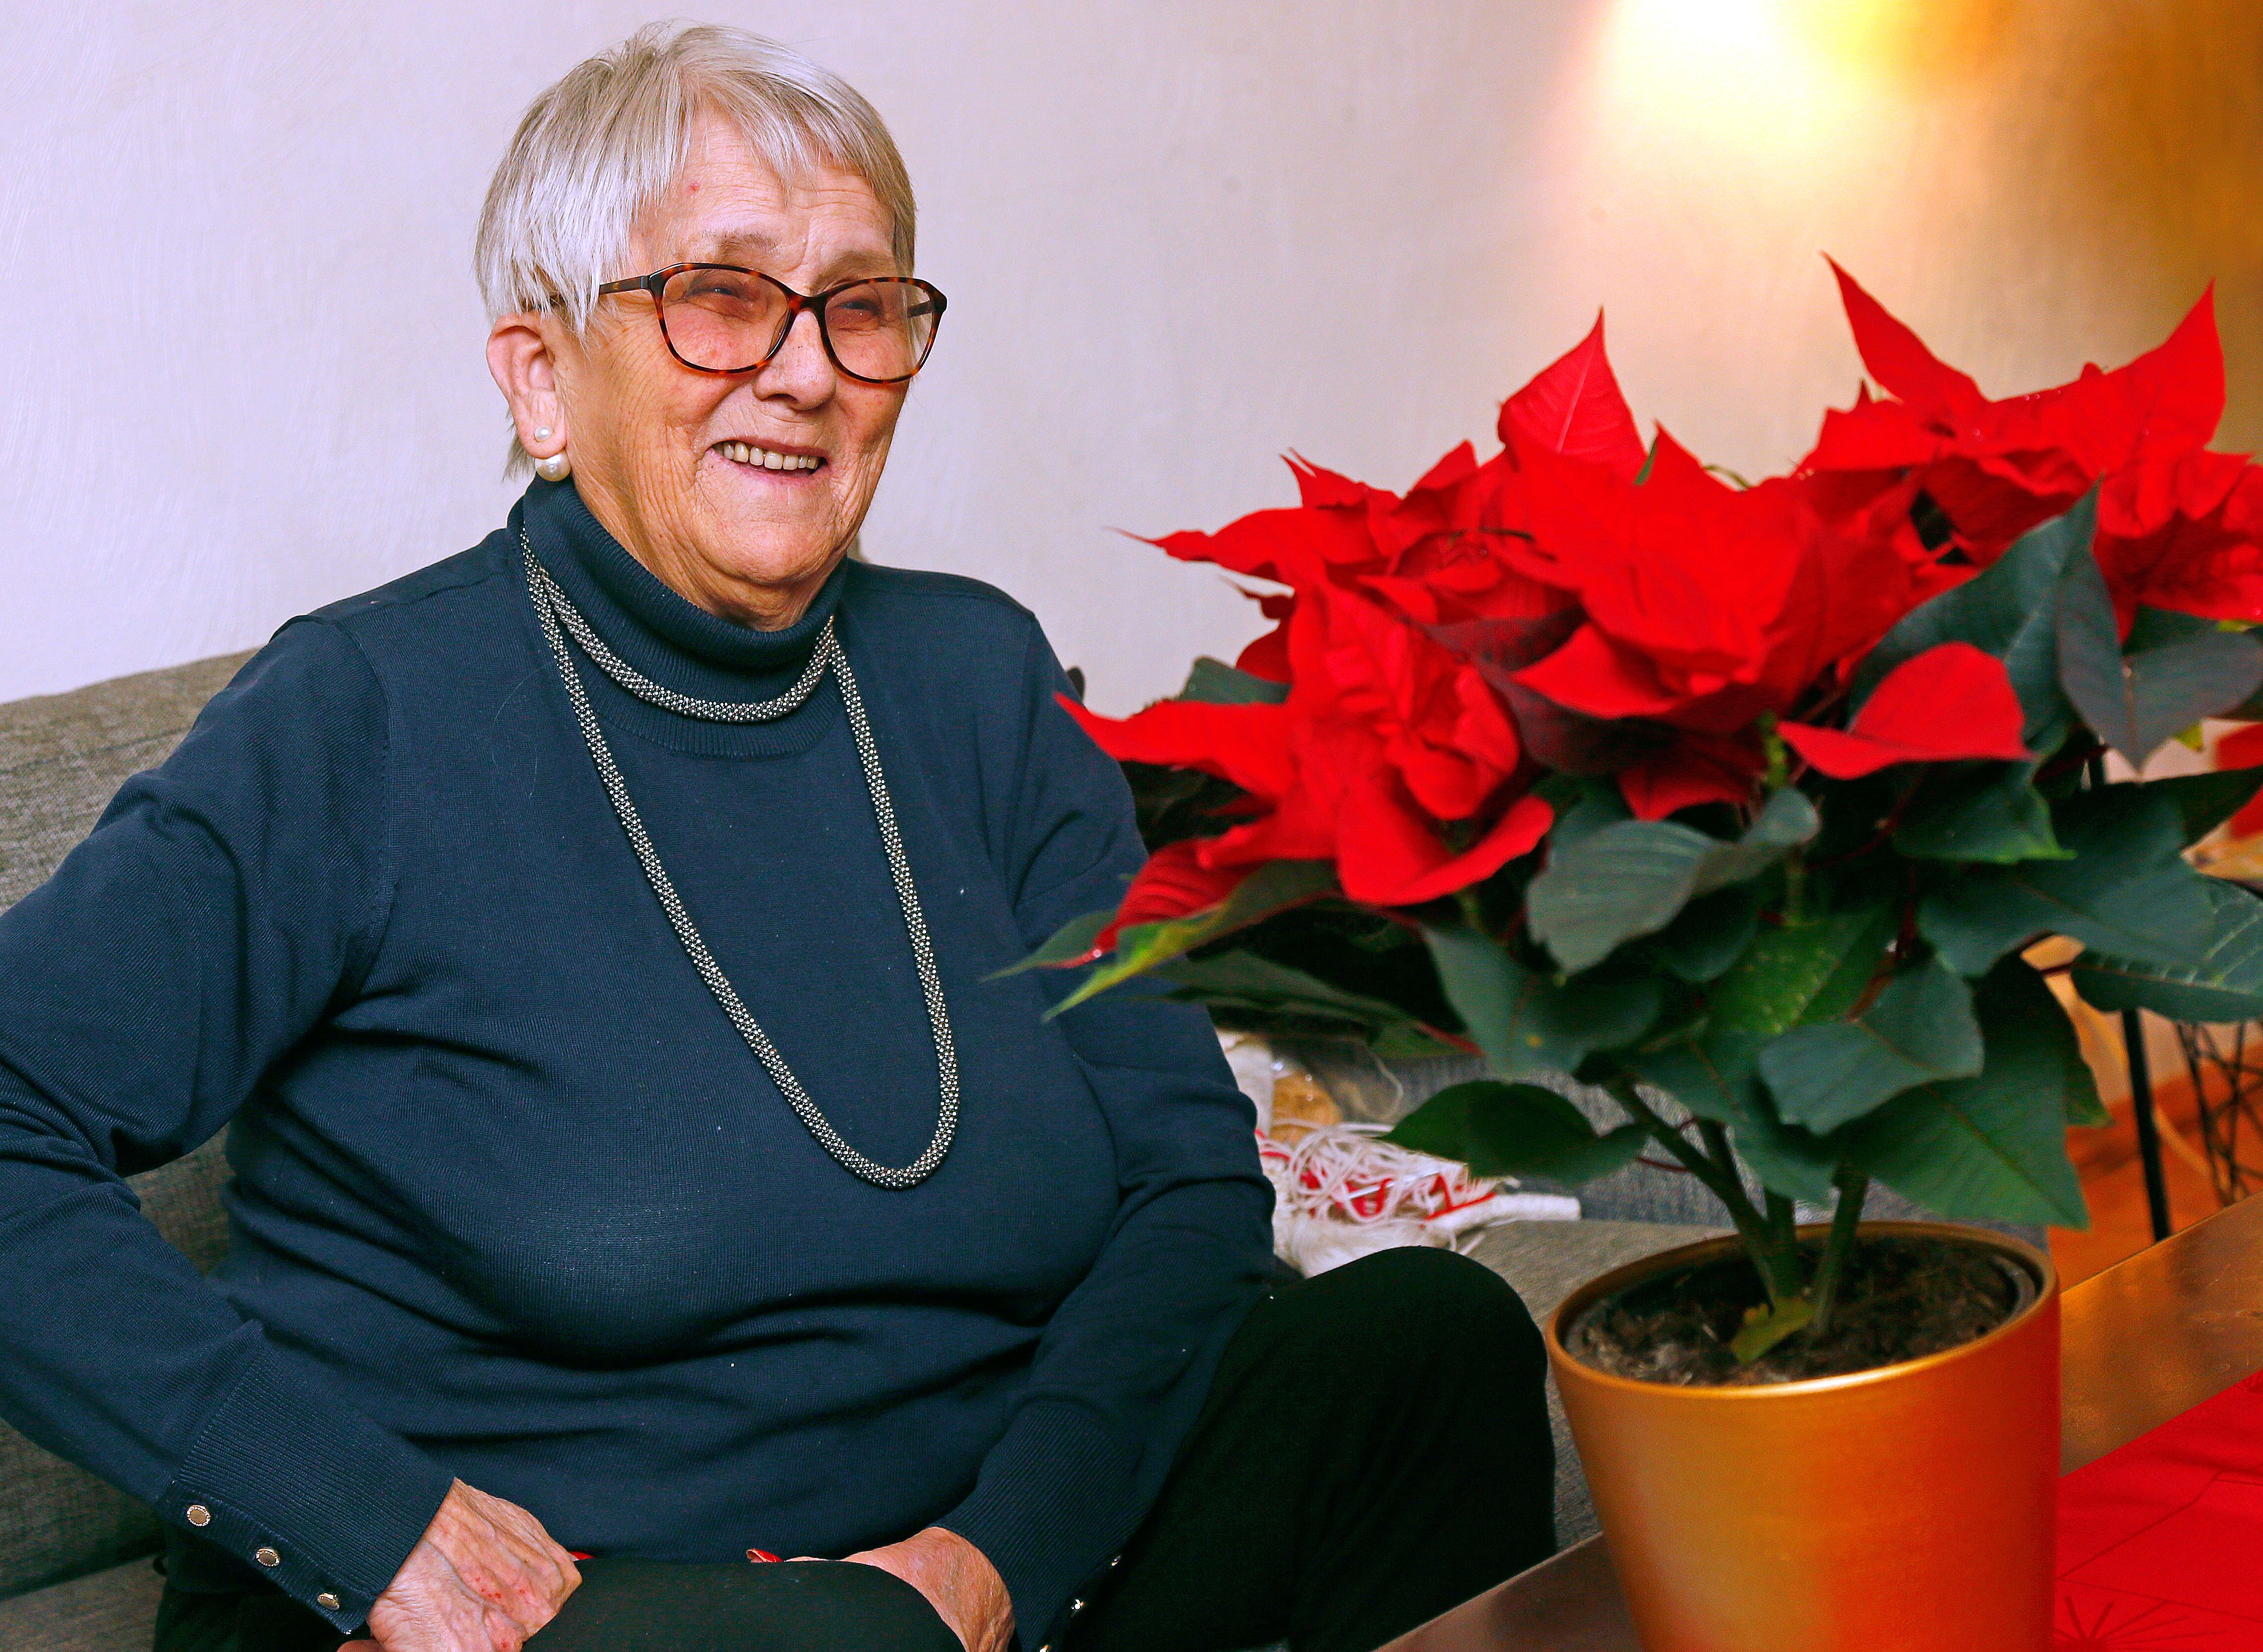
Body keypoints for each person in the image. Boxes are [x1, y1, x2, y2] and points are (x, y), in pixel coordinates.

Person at [0, 23, 1554, 1652]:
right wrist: (368, 1524)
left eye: (860, 305)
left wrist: (990, 1561)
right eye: (721, 294)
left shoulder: (978, 678)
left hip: (955, 1579)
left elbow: (1186, 1180)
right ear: (541, 377)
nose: (806, 370)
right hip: (521, 1610)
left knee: (1426, 1345)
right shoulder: (366, 712)